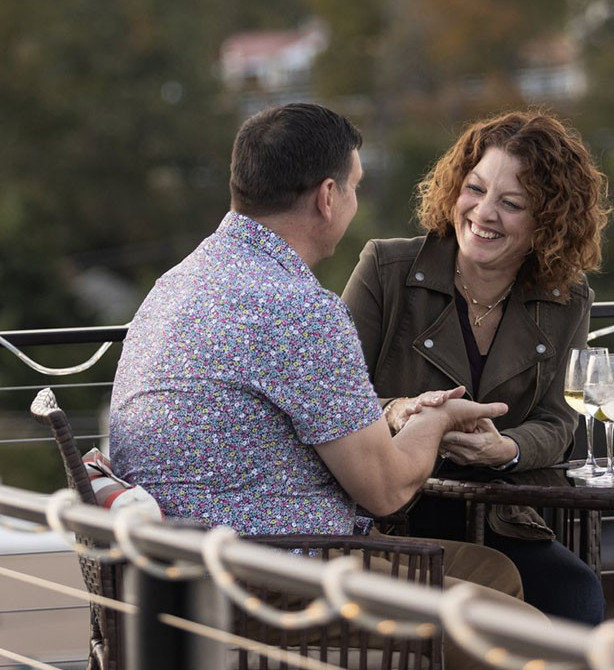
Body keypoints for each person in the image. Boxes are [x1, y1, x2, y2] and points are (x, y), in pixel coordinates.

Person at [109, 102, 545, 669]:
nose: (355, 202)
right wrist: (435, 421)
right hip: (271, 580)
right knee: (530, 639)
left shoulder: (177, 283)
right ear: (327, 197)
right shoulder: (296, 309)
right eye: (355, 187)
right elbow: (386, 490)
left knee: (497, 572)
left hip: (178, 571)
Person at [342, 109, 611, 625]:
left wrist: (505, 449)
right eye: (475, 189)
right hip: (391, 508)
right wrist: (401, 411)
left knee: (575, 596)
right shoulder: (385, 268)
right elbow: (329, 399)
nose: (483, 213)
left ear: (547, 222)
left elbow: (559, 422)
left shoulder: (567, 300)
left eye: (510, 203)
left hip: (499, 514)